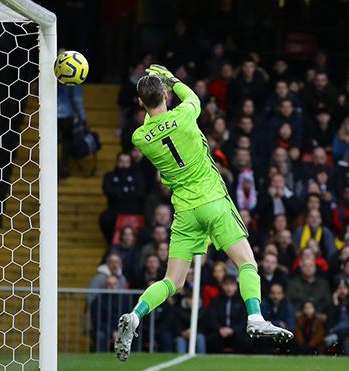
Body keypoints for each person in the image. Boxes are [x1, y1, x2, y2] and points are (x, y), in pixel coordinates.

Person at [115, 65, 292, 362]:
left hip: (184, 211)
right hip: (213, 201)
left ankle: (135, 315)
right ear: (166, 96)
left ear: (141, 103)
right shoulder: (185, 114)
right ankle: (255, 317)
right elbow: (192, 96)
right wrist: (172, 80)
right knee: (247, 262)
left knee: (172, 282)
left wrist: (151, 94)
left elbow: (153, 116)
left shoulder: (140, 137)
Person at [205, 275, 252, 354]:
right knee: (212, 339)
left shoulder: (242, 302)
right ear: (222, 286)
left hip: (237, 333)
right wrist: (220, 329)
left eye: (231, 285)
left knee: (243, 340)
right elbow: (211, 318)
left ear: (236, 286)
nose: (229, 288)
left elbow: (244, 321)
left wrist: (232, 330)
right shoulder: (215, 301)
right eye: (226, 285)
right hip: (219, 332)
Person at [90, 276, 131, 352]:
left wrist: (120, 332)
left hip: (122, 330)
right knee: (100, 336)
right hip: (105, 331)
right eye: (109, 284)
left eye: (114, 284)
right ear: (105, 286)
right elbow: (97, 322)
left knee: (136, 335)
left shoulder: (125, 300)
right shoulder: (98, 301)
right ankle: (100, 359)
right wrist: (112, 332)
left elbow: (129, 318)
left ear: (118, 286)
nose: (112, 287)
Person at [57, 76, 87, 178]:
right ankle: (64, 166)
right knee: (66, 142)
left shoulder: (50, 74)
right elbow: (77, 98)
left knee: (52, 142)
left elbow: (38, 93)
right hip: (66, 114)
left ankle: (51, 166)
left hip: (50, 116)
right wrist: (82, 116)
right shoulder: (74, 75)